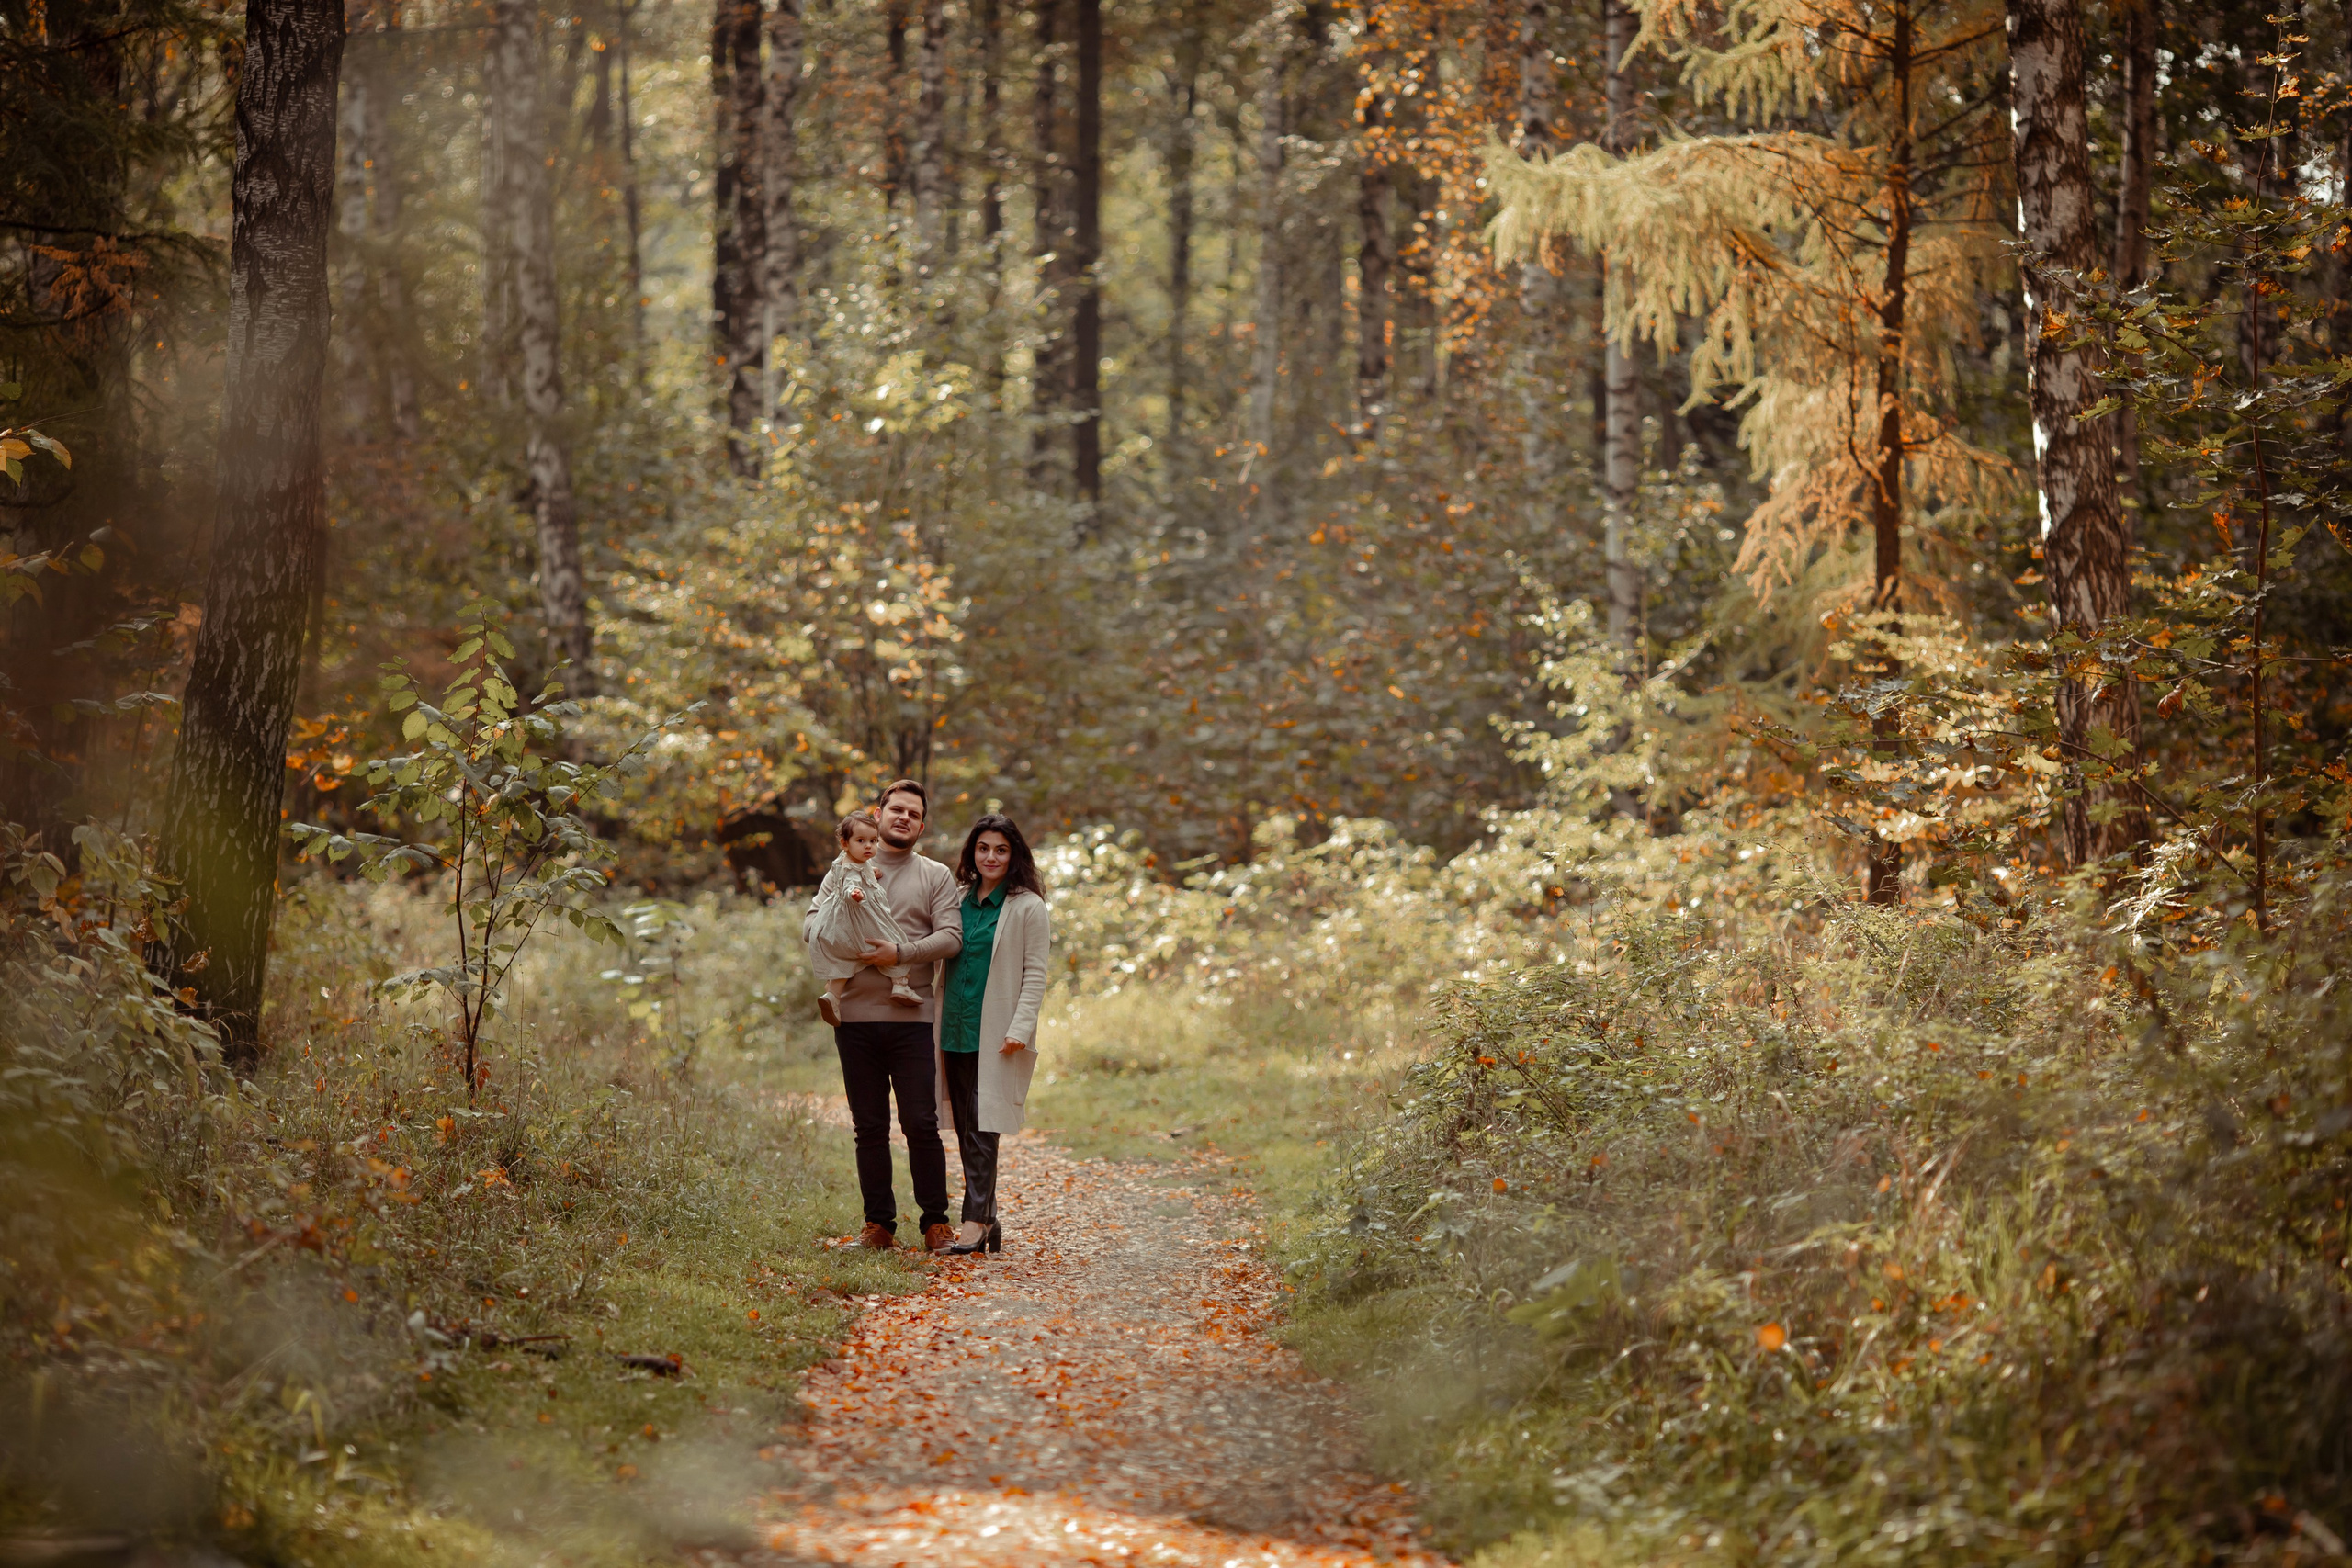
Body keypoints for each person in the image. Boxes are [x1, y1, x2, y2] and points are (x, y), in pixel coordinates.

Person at [806, 780, 964, 1252]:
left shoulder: (935, 875)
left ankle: (936, 1224)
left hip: (912, 1019)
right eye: (897, 809)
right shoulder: (843, 869)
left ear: (921, 826)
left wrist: (901, 952)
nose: (904, 818)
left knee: (921, 1123)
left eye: (914, 814)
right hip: (852, 1019)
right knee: (869, 1127)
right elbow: (810, 924)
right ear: (878, 814)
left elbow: (952, 937)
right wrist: (844, 931)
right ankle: (878, 1227)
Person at [931, 813, 1051, 1257]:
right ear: (972, 853)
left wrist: (1020, 1027)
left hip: (997, 1032)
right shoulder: (959, 897)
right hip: (953, 1027)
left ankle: (974, 1220)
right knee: (967, 1128)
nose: (991, 857)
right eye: (983, 848)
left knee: (985, 1125)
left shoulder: (1028, 906)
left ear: (1014, 855)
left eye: (1001, 849)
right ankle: (989, 1218)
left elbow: (1035, 974)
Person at [805, 810, 922, 1024]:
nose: (869, 846)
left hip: (838, 924)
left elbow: (858, 868)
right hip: (858, 917)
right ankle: (900, 984)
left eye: (873, 841)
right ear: (844, 843)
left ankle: (833, 996)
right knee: (893, 938)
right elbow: (850, 883)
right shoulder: (851, 871)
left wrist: (871, 871)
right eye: (861, 841)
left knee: (844, 962)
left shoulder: (850, 860)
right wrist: (855, 894)